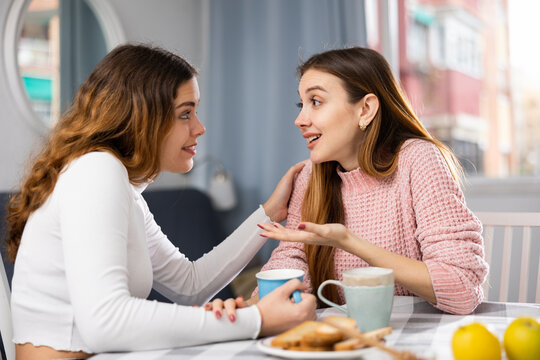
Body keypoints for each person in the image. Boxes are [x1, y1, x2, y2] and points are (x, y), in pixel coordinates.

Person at [5, 44, 316, 360]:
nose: (199, 128)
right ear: (142, 117)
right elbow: (105, 323)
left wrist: (270, 212)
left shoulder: (121, 187)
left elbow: (189, 285)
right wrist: (256, 319)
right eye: (185, 113)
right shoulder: (97, 170)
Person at [255, 47, 488, 315]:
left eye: (316, 102)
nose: (299, 120)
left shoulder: (418, 159)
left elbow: (462, 288)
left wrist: (349, 242)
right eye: (301, 104)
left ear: (365, 109)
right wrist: (250, 308)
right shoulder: (310, 175)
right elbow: (291, 258)